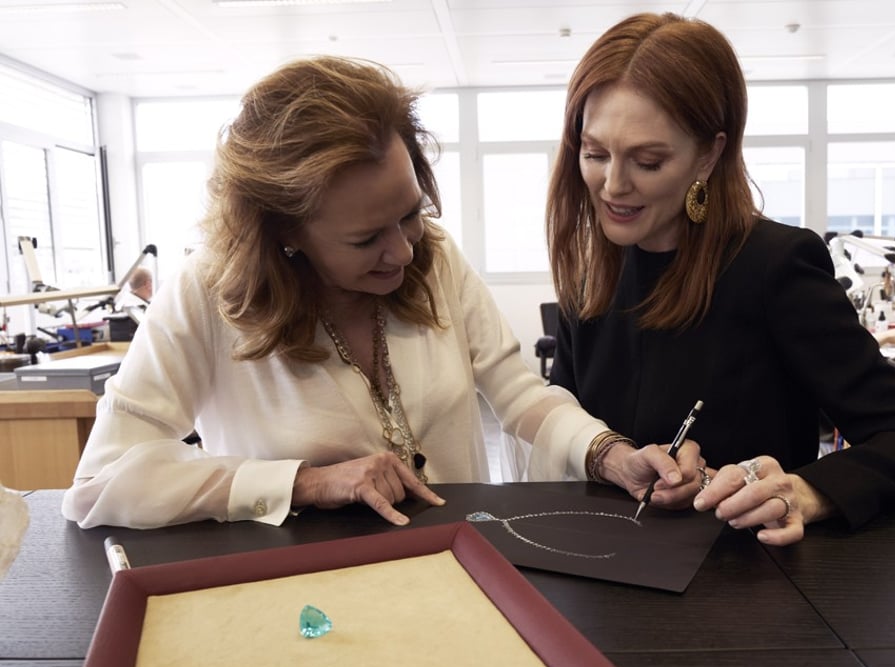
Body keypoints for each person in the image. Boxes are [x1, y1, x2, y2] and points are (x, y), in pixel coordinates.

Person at [62, 56, 645, 530]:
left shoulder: (435, 255)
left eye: (409, 213)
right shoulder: (206, 291)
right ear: (284, 232)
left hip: (461, 563)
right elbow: (100, 483)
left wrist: (607, 452)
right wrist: (303, 483)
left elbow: (517, 393)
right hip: (305, 594)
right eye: (366, 239)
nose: (405, 253)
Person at [537, 13, 895, 546]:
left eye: (648, 161)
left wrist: (804, 491)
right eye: (595, 153)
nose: (612, 185)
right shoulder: (591, 272)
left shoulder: (776, 265)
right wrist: (610, 457)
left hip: (746, 576)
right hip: (608, 563)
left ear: (709, 154)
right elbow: (569, 423)